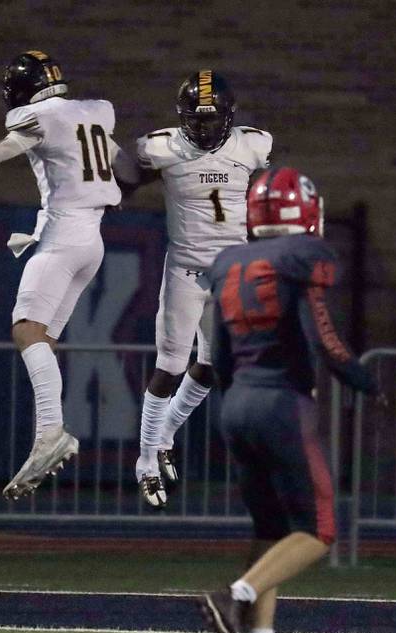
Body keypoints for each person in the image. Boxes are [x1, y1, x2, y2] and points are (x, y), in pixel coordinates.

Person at [0, 50, 136, 500]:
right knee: (41, 338)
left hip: (64, 236)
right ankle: (49, 432)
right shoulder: (92, 114)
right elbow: (130, 170)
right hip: (94, 241)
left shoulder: (40, 117)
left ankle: (51, 432)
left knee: (26, 329)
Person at [200, 167, 378, 633]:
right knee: (319, 530)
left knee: (271, 529)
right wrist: (361, 380)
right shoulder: (305, 257)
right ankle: (235, 597)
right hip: (281, 403)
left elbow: (220, 355)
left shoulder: (229, 260)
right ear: (307, 210)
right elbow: (322, 336)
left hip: (236, 406)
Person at [129, 71, 272, 508]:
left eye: (212, 119)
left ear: (229, 116)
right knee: (170, 365)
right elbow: (120, 176)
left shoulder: (254, 144)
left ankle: (167, 433)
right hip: (187, 270)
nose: (205, 127)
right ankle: (146, 460)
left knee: (213, 365)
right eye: (197, 118)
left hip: (231, 271)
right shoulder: (160, 147)